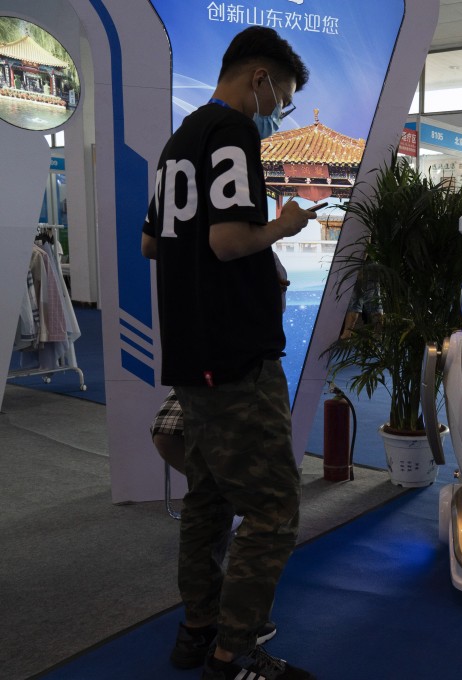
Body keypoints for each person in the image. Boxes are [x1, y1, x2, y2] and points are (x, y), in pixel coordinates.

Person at [140, 25, 317, 680]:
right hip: (236, 357)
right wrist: (286, 226)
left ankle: (197, 631)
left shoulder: (176, 144)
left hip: (190, 354)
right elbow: (225, 241)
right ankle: (232, 656)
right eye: (282, 100)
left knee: (209, 499)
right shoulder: (235, 133)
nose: (278, 115)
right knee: (272, 511)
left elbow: (153, 246)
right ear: (259, 80)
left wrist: (251, 254)